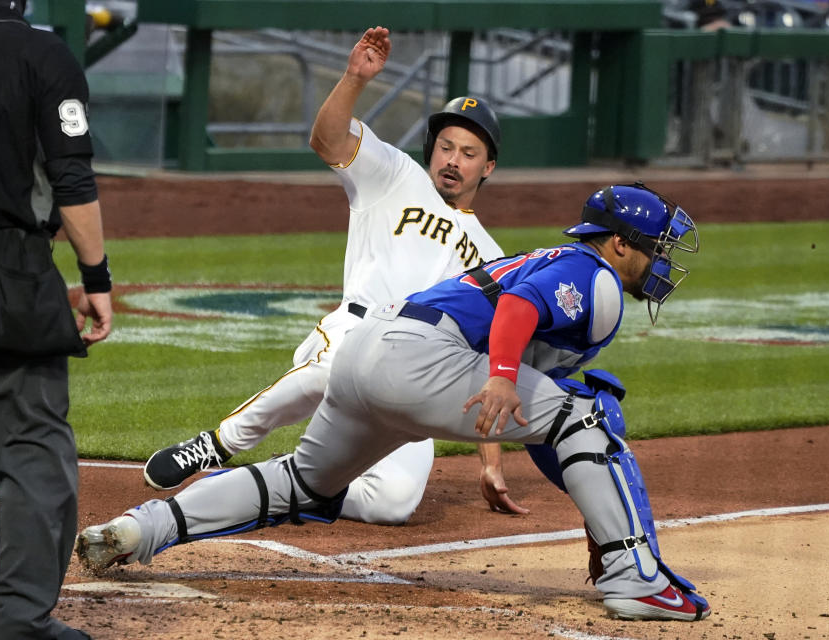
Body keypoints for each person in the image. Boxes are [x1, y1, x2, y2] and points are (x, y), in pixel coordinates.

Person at [77, 183, 712, 622]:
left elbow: (547, 429)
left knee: (303, 482)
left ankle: (139, 529)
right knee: (590, 414)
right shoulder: (592, 273)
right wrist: (501, 376)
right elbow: (519, 309)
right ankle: (637, 579)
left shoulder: (553, 258)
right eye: (656, 246)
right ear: (620, 244)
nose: (662, 260)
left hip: (366, 352)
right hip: (423, 359)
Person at [141, 25, 527, 523]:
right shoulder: (395, 174)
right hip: (357, 331)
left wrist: (491, 465)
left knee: (394, 504)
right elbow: (326, 140)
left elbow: (484, 360)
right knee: (330, 370)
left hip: (415, 373)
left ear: (488, 167)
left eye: (468, 153)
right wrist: (353, 78)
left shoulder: (492, 258)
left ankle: (269, 486)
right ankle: (215, 444)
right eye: (446, 146)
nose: (452, 161)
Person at [0, 1, 113, 638]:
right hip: (10, 264)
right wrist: (95, 277)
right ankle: (14, 619)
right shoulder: (42, 54)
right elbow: (70, 177)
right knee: (32, 445)